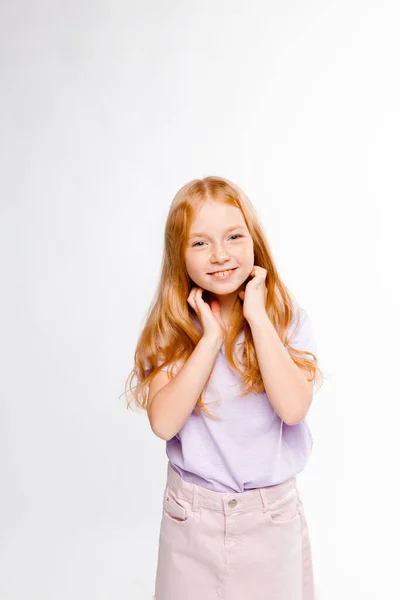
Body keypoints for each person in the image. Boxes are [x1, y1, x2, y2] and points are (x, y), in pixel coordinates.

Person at [124, 176, 324, 600]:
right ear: (179, 255)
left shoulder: (285, 321)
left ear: (254, 240)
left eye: (233, 237)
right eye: (200, 243)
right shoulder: (171, 332)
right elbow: (163, 422)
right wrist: (210, 339)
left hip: (270, 521)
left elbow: (292, 408)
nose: (220, 255)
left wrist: (257, 317)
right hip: (191, 520)